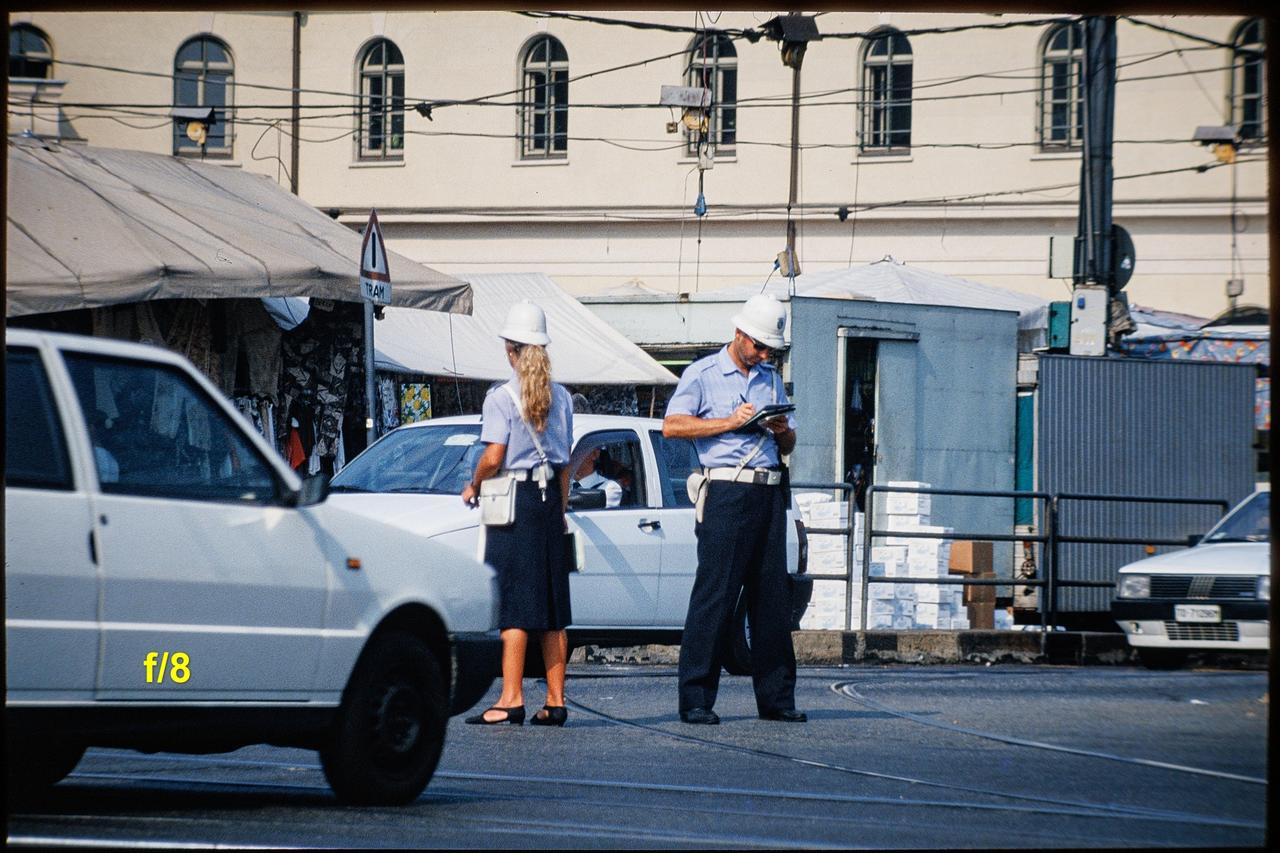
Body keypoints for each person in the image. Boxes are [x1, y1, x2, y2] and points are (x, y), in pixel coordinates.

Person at [662, 293, 806, 725]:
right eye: (759, 346)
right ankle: (696, 698)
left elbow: (790, 442)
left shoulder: (770, 379)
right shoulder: (702, 373)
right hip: (725, 490)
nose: (764, 355)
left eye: (770, 350)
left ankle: (777, 698)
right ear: (739, 334)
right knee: (715, 594)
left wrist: (781, 430)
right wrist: (729, 422)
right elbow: (673, 425)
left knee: (771, 599)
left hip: (766, 491)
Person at [461, 300, 575, 727]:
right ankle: (556, 699)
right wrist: (560, 510)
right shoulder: (562, 397)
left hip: (515, 501)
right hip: (549, 505)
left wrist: (474, 483)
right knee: (552, 602)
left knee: (513, 601)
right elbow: (564, 464)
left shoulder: (502, 397)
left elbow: (494, 456)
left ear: (511, 350)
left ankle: (510, 698)